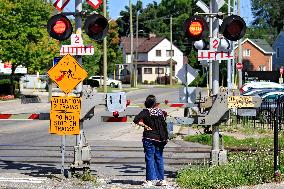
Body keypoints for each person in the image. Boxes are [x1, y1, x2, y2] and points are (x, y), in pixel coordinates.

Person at [133, 95, 168, 187]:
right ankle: (161, 180)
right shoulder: (161, 112)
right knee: (159, 158)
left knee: (149, 158)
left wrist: (145, 125)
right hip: (160, 139)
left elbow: (136, 119)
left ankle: (150, 180)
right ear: (154, 104)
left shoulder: (145, 112)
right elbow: (165, 116)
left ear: (146, 103)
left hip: (149, 138)